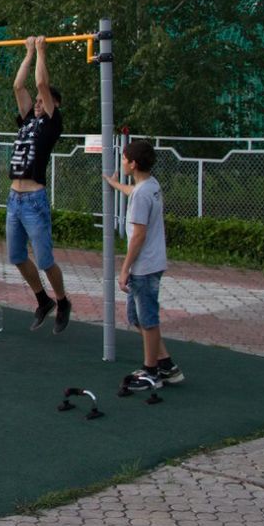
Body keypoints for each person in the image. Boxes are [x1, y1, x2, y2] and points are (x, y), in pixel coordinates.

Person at [104, 140, 184, 390]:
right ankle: (166, 365)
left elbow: (138, 235)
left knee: (147, 319)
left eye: (125, 159)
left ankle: (151, 372)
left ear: (134, 163)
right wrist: (115, 184)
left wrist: (125, 268)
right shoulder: (150, 185)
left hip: (145, 266)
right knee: (135, 317)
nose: (123, 162)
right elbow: (133, 192)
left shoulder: (142, 194)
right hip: (151, 263)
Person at [7, 36, 71, 334]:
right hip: (14, 199)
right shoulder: (27, 121)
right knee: (17, 256)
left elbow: (42, 85)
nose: (37, 103)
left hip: (34, 200)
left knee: (45, 260)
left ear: (53, 105)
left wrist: (43, 52)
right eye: (37, 102)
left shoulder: (52, 124)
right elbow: (20, 86)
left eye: (43, 101)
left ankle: (62, 300)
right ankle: (42, 299)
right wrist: (29, 52)